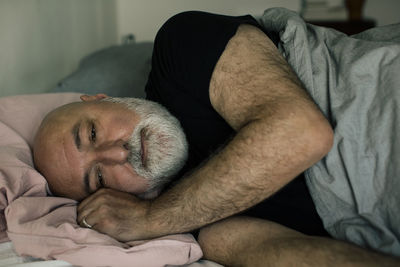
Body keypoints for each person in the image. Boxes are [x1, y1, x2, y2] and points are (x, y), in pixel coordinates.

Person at [33, 11, 400, 266]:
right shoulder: (205, 230)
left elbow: (301, 132)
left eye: (92, 133)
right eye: (98, 177)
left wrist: (151, 218)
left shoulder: (180, 50)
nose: (117, 153)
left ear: (100, 98)